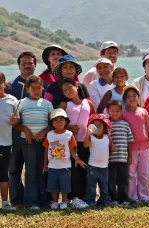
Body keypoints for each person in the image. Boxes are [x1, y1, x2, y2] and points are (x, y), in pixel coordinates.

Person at [5, 52, 47, 208]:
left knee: (35, 168)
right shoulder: (10, 86)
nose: (27, 66)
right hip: (15, 133)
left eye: (30, 63)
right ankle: (17, 201)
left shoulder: (42, 85)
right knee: (14, 168)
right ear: (19, 66)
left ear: (35, 65)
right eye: (24, 63)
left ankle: (38, 198)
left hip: (36, 134)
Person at [13, 75, 54, 209]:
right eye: (33, 88)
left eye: (39, 88)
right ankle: (31, 202)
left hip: (44, 142)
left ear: (42, 88)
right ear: (28, 89)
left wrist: (44, 132)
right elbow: (16, 124)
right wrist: (25, 129)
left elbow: (52, 123)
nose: (37, 90)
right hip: (28, 142)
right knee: (31, 171)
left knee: (43, 169)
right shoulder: (22, 103)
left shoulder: (47, 104)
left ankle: (44, 201)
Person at [57, 78, 95, 208]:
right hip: (69, 143)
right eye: (65, 90)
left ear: (77, 86)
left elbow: (94, 119)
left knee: (84, 168)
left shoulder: (88, 103)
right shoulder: (64, 105)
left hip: (85, 142)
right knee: (71, 170)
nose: (68, 91)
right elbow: (56, 122)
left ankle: (84, 196)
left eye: (70, 88)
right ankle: (72, 197)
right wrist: (69, 128)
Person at [42, 108, 86, 209]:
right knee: (53, 185)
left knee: (65, 185)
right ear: (52, 123)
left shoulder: (69, 134)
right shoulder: (49, 134)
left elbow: (72, 150)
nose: (59, 122)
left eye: (61, 120)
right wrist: (45, 164)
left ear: (66, 122)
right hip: (52, 166)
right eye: (56, 120)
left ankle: (63, 201)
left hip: (65, 166)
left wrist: (78, 160)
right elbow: (46, 150)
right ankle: (54, 202)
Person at [121, 85, 149, 203]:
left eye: (134, 96)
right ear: (125, 99)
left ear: (138, 97)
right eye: (128, 97)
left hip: (145, 146)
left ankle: (144, 197)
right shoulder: (123, 114)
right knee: (130, 174)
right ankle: (132, 197)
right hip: (130, 148)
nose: (131, 98)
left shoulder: (143, 111)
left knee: (144, 173)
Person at [107, 100, 134, 206]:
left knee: (123, 181)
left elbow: (129, 141)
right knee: (111, 180)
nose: (114, 113)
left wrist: (130, 156)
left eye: (117, 111)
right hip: (110, 159)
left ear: (121, 111)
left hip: (123, 158)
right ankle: (112, 199)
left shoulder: (125, 124)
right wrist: (110, 146)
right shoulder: (107, 125)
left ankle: (123, 199)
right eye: (112, 111)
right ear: (108, 111)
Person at [84, 114, 113, 207]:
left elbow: (110, 147)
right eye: (94, 126)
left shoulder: (107, 137)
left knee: (104, 186)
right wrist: (88, 134)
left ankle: (106, 201)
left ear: (105, 128)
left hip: (104, 166)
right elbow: (85, 145)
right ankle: (90, 201)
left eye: (99, 126)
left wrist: (114, 148)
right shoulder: (91, 137)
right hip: (92, 166)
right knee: (91, 185)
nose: (97, 128)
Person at [0, 72, 18, 210]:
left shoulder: (12, 100)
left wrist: (15, 121)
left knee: (3, 174)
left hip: (5, 143)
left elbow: (18, 120)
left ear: (4, 83)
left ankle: (5, 204)